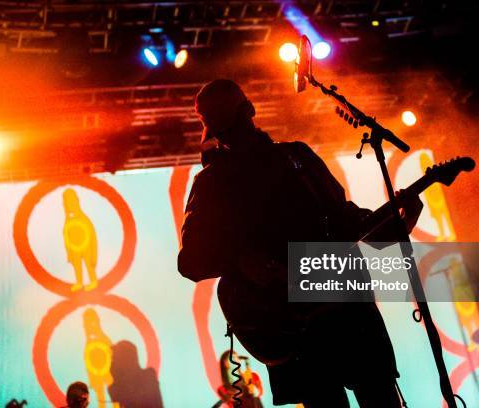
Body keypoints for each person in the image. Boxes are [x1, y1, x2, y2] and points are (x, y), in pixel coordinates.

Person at [177, 79, 424, 407]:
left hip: (348, 309)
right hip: (289, 326)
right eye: (219, 124)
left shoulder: (297, 158)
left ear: (247, 112)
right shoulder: (211, 184)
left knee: (379, 397)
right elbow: (190, 261)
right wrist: (239, 260)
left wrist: (399, 223)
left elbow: (346, 221)